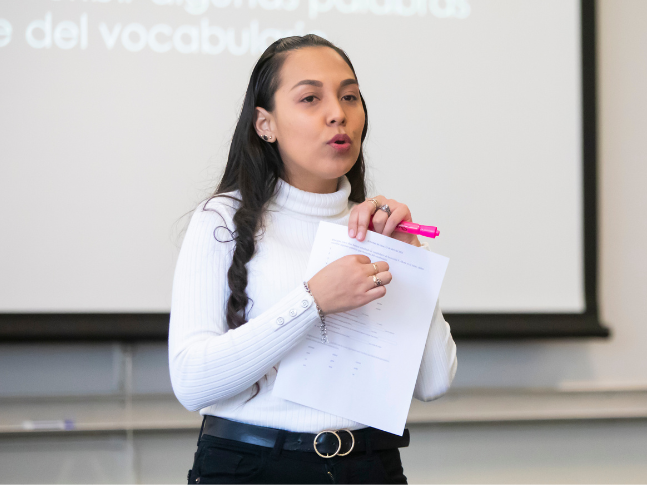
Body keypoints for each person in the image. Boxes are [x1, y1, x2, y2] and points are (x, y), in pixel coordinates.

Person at [169, 34, 457, 484]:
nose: (337, 113)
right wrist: (313, 301)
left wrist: (407, 256)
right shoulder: (221, 219)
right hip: (249, 468)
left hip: (370, 466)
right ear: (265, 124)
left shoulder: (374, 229)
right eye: (310, 98)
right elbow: (190, 382)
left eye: (349, 97)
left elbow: (434, 383)